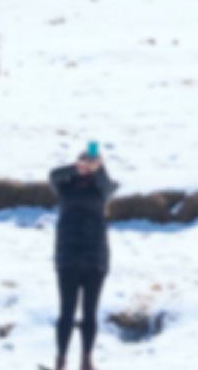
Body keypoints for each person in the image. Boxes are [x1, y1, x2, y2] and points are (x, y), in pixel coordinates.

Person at [49, 145, 118, 370]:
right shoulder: (65, 186)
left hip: (94, 256)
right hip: (67, 256)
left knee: (90, 311)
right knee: (66, 311)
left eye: (89, 164)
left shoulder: (101, 189)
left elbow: (109, 185)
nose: (85, 168)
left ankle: (86, 359)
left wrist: (99, 168)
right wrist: (77, 166)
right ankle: (61, 359)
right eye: (82, 163)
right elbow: (52, 175)